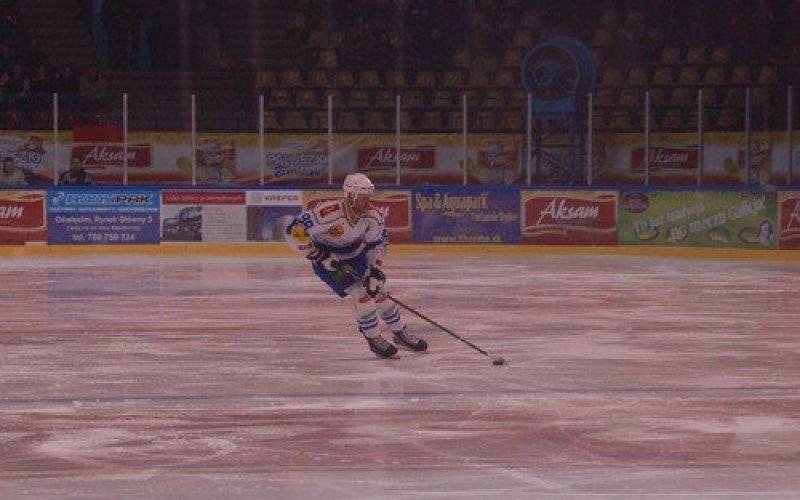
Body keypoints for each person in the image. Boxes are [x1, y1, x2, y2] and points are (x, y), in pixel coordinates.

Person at [285, 173, 427, 358]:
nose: (367, 202)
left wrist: (375, 270)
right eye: (362, 198)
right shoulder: (327, 213)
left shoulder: (373, 217)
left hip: (356, 255)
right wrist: (317, 254)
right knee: (363, 297)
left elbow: (378, 245)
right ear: (350, 196)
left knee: (381, 292)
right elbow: (294, 230)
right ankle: (374, 339)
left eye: (369, 197)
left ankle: (400, 333)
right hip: (329, 262)